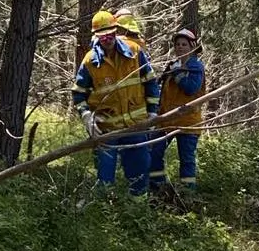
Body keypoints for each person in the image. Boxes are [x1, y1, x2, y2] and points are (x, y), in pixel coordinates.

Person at [72, 10, 160, 196]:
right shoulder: (90, 62)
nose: (108, 39)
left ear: (116, 30)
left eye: (111, 34)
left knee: (139, 175)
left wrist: (153, 113)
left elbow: (151, 82)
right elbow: (79, 94)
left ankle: (137, 214)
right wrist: (87, 117)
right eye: (103, 36)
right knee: (105, 179)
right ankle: (105, 215)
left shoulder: (135, 52)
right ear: (97, 36)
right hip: (106, 130)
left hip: (136, 127)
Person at [151, 28, 206, 190]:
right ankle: (157, 187)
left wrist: (178, 74)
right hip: (166, 120)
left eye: (184, 44)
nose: (180, 47)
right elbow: (163, 93)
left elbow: (191, 88)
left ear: (192, 47)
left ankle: (187, 195)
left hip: (188, 123)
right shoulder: (173, 66)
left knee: (186, 159)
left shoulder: (196, 67)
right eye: (177, 44)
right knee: (154, 152)